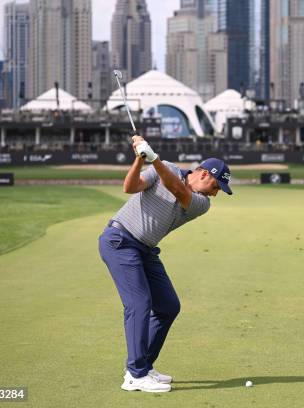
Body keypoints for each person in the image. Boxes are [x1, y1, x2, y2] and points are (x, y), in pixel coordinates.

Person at [98, 135, 233, 393]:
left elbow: (178, 190)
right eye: (216, 187)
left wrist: (154, 158)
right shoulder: (167, 168)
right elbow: (130, 187)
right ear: (204, 174)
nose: (216, 194)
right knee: (139, 303)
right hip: (120, 241)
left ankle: (143, 366)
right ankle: (136, 376)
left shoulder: (201, 204)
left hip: (145, 250)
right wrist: (140, 160)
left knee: (168, 306)